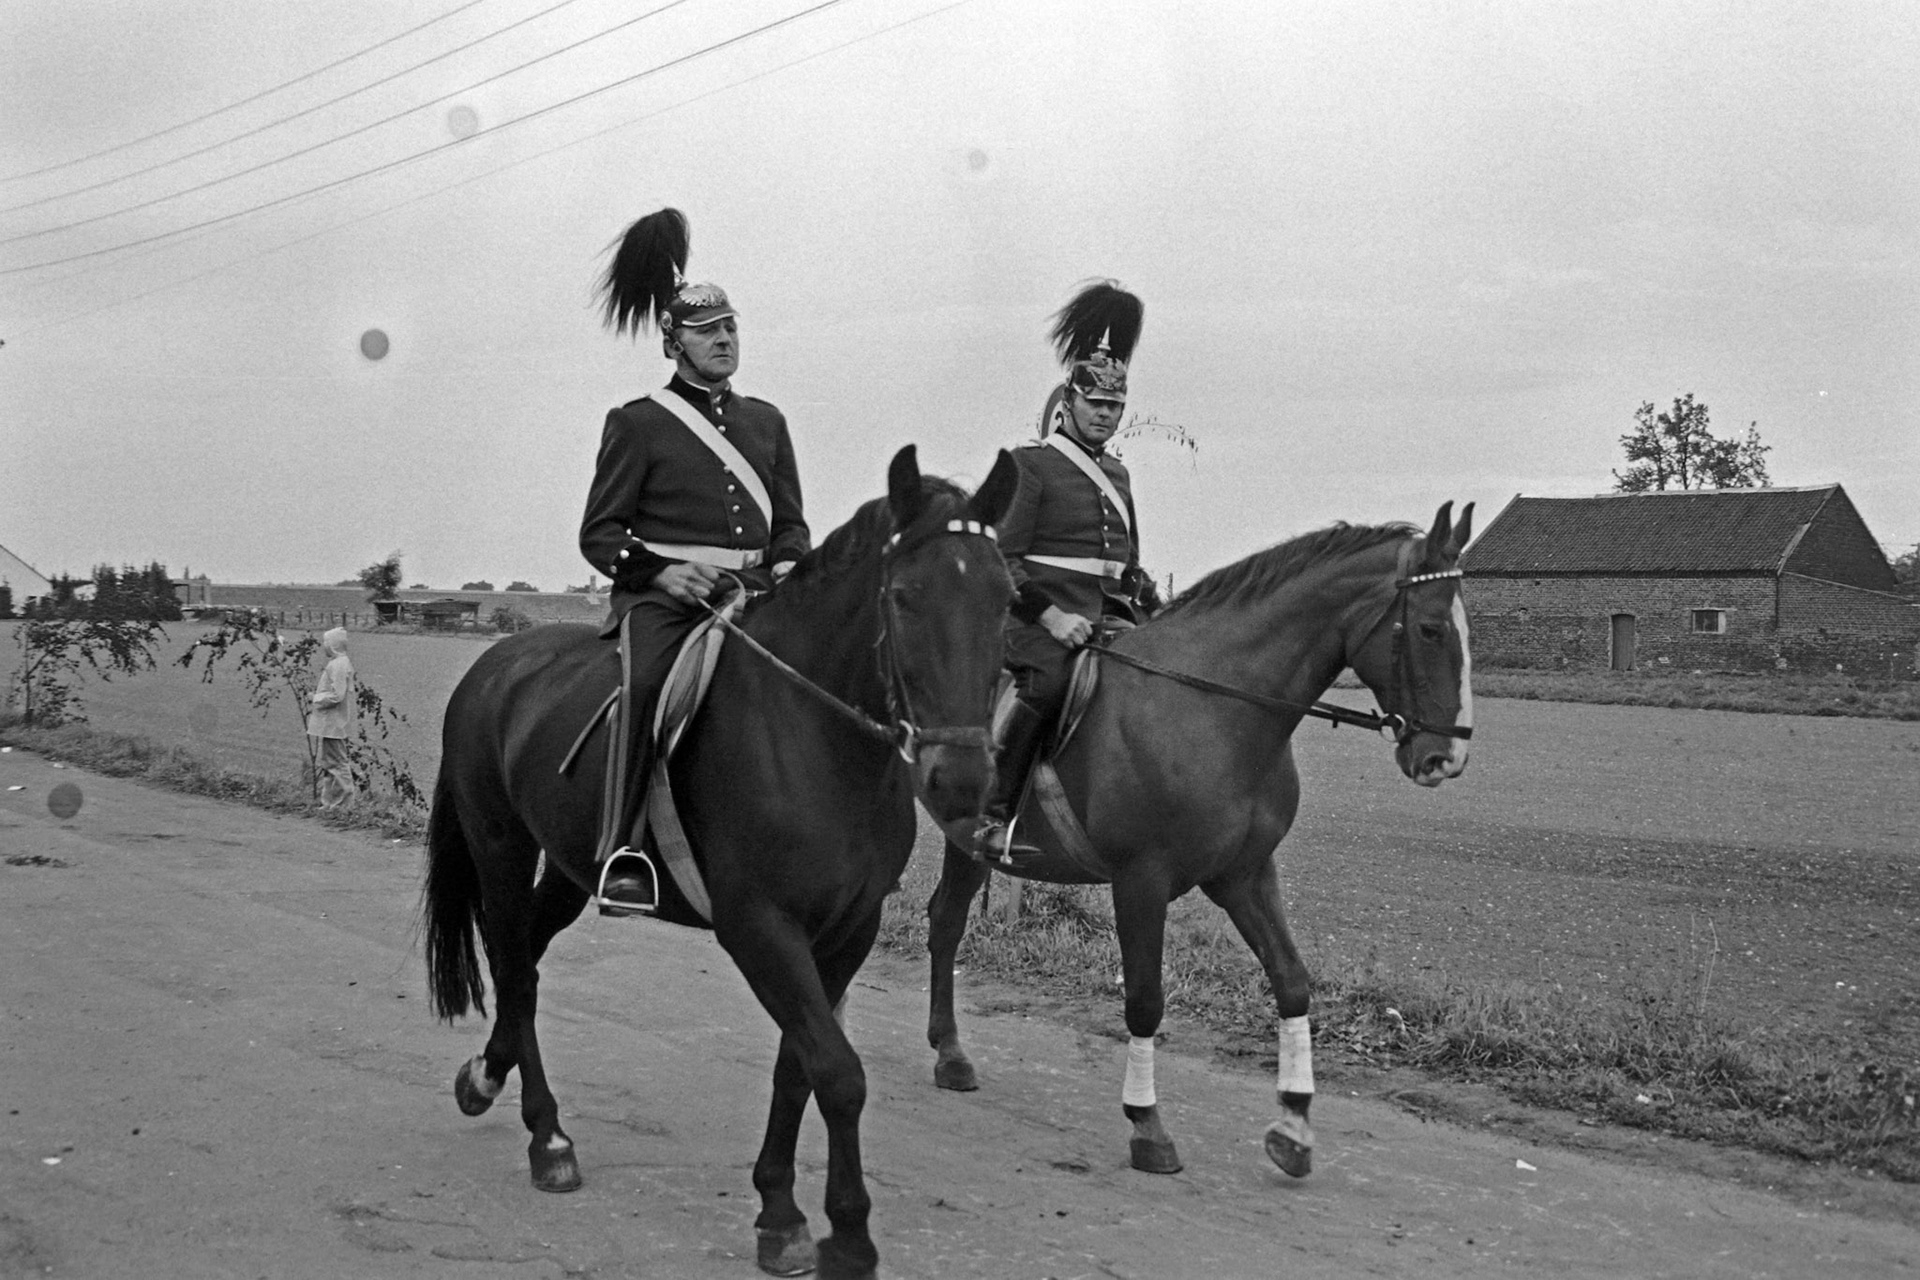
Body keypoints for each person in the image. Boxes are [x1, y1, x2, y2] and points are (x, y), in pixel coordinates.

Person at [579, 207, 810, 910]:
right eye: (708, 332)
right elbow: (600, 533)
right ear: (672, 343)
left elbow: (792, 525)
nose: (725, 341)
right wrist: (662, 571)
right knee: (646, 689)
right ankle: (623, 850)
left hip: (754, 593)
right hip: (667, 602)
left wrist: (790, 566)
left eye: (731, 327)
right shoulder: (638, 423)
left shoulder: (766, 421)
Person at [976, 281, 1161, 858]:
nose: (1106, 415)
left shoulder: (1122, 477)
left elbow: (1125, 564)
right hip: (1039, 625)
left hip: (1107, 619)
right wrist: (1052, 617)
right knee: (1046, 684)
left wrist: (1156, 605)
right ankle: (993, 813)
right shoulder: (1031, 466)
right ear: (1069, 403)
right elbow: (999, 560)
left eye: (1115, 407)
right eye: (1096, 405)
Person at [306, 626, 357, 809]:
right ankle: (330, 803)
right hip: (331, 723)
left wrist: (315, 698)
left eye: (326, 643)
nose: (324, 646)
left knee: (337, 763)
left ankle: (343, 803)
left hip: (334, 723)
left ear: (334, 645)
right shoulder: (338, 663)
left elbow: (337, 695)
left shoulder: (338, 665)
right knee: (330, 763)